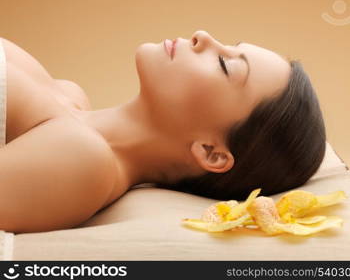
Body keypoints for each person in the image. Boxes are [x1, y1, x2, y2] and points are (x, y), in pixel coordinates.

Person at [0, 30, 325, 233]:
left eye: (226, 65)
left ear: (210, 152)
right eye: (227, 43)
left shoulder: (84, 160)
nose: (203, 36)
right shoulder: (70, 97)